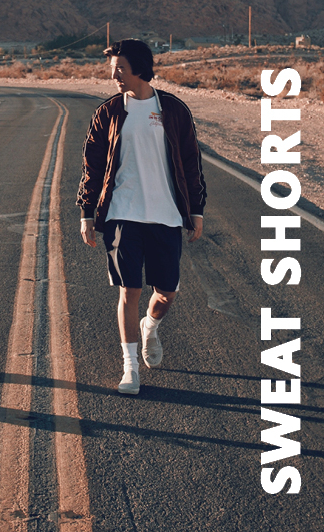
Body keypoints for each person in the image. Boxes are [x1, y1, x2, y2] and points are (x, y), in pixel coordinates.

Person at [77, 38, 206, 395]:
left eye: (120, 68)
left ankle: (150, 327)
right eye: (112, 69)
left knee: (165, 293)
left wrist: (196, 209)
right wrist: (87, 212)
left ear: (140, 68)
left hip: (165, 214)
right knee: (128, 289)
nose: (114, 75)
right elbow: (92, 166)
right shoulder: (109, 112)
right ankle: (130, 367)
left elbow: (191, 161)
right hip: (123, 213)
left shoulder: (173, 110)